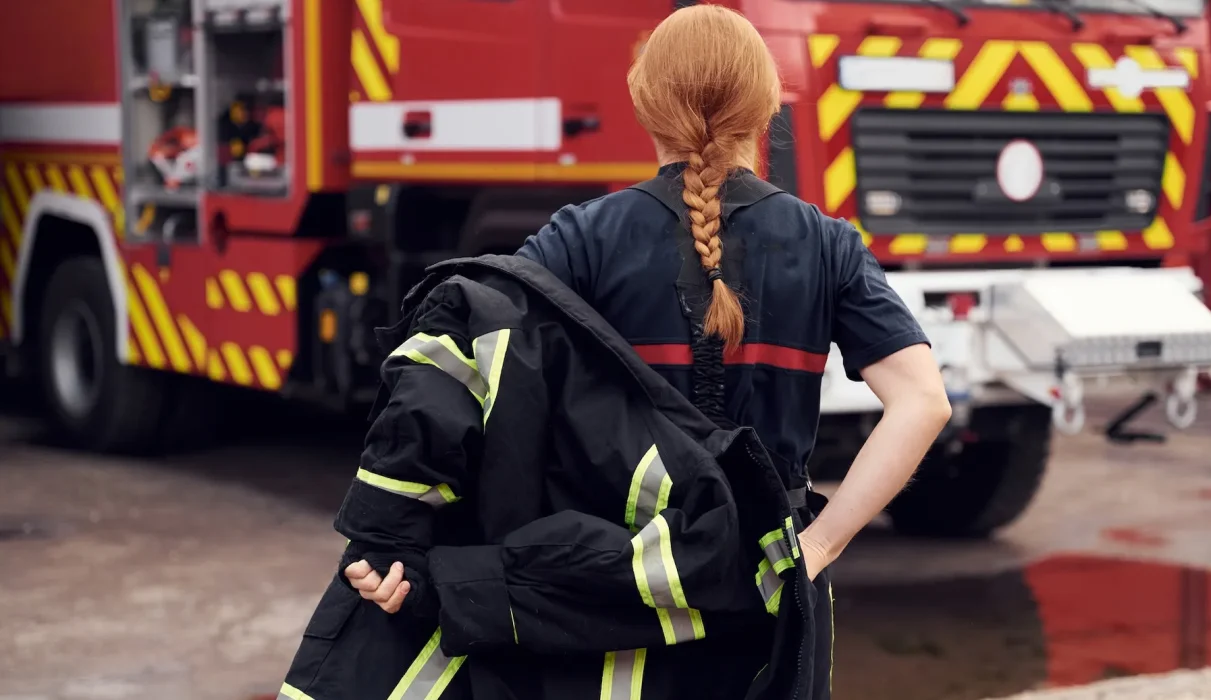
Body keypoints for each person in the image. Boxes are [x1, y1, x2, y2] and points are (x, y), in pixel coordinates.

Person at [338, 4, 951, 698]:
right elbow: (922, 402)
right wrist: (817, 547)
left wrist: (394, 536)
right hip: (769, 592)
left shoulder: (582, 237)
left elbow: (460, 358)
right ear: (767, 108)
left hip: (622, 590)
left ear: (644, 105)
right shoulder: (828, 244)